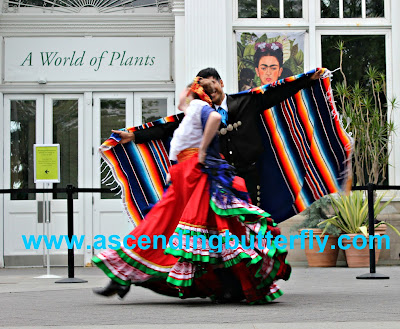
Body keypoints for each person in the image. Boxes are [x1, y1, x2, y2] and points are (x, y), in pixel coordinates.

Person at [93, 77, 291, 304]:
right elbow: (170, 124)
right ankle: (226, 286)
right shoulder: (190, 113)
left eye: (186, 90)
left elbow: (215, 117)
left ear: (194, 93)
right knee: (198, 232)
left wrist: (203, 150)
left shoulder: (200, 108)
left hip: (196, 178)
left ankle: (125, 277)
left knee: (172, 228)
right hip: (185, 177)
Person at [113, 67, 322, 210]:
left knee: (252, 221)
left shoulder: (247, 101)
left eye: (212, 84)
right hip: (219, 178)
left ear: (220, 83)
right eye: (203, 88)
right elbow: (168, 127)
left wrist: (307, 79)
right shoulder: (198, 113)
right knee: (223, 227)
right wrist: (133, 135)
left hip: (250, 174)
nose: (209, 91)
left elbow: (278, 92)